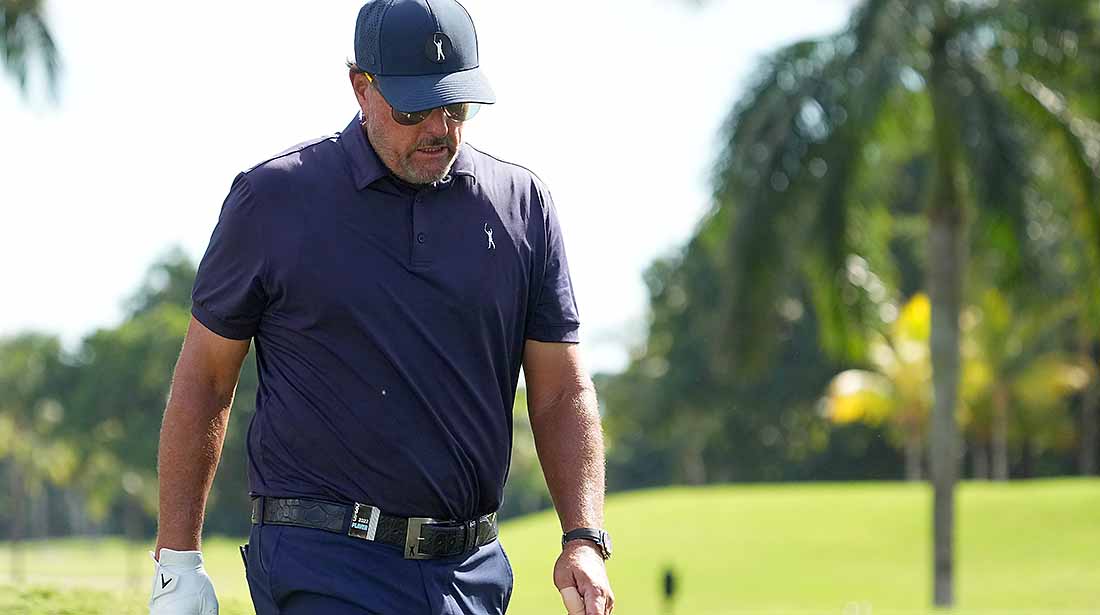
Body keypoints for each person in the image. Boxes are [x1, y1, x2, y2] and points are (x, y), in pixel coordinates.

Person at [147, 0, 615, 613]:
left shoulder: (522, 206)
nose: (439, 129)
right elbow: (206, 378)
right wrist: (178, 562)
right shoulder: (274, 198)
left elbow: (560, 391)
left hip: (470, 574)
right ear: (360, 87)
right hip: (322, 562)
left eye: (457, 106)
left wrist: (583, 537)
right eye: (414, 109)